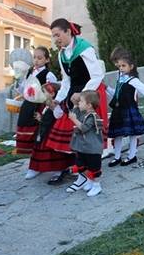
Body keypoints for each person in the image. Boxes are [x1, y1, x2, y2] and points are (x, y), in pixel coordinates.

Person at [46, 18, 108, 183]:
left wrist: (82, 96)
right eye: (53, 36)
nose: (56, 39)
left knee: (87, 136)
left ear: (68, 31)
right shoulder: (61, 54)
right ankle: (79, 173)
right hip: (74, 96)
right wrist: (58, 100)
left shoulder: (84, 48)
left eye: (58, 34)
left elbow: (97, 76)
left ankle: (90, 176)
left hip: (89, 95)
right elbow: (66, 81)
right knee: (74, 137)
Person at [107, 47, 144, 167]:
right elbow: (116, 93)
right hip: (118, 110)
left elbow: (143, 88)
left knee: (132, 134)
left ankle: (132, 155)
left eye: (123, 66)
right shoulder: (120, 78)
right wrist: (107, 89)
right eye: (119, 66)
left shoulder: (133, 80)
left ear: (131, 66)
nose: (121, 68)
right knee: (117, 134)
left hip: (129, 109)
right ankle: (117, 156)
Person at [25, 83, 75, 180]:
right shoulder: (45, 105)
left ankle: (58, 169)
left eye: (44, 92)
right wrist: (41, 118)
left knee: (53, 152)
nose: (41, 94)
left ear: (52, 94)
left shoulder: (57, 104)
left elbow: (58, 116)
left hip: (52, 133)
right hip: (43, 131)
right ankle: (36, 168)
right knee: (38, 150)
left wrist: (53, 107)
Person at [16, 46, 57, 156]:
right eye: (34, 57)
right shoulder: (29, 73)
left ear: (47, 60)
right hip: (28, 106)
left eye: (40, 58)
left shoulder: (49, 75)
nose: (36, 60)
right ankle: (32, 160)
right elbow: (23, 89)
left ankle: (41, 160)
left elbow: (53, 91)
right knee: (27, 133)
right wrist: (19, 79)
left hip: (40, 106)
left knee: (39, 132)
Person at [67, 90, 104, 197]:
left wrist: (74, 120)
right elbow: (76, 115)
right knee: (83, 165)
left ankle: (97, 185)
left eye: (81, 101)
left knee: (94, 167)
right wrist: (74, 105)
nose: (79, 103)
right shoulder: (84, 113)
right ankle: (89, 181)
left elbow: (84, 128)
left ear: (89, 105)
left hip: (92, 148)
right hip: (83, 147)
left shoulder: (92, 116)